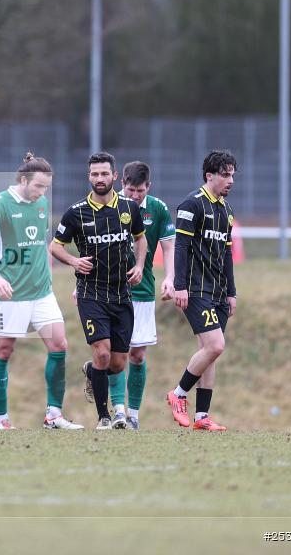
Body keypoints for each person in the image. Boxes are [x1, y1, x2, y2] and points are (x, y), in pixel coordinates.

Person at [0, 153, 83, 431]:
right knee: (3, 350)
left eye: (46, 187)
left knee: (59, 345)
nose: (42, 192)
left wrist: (49, 275)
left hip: (42, 294)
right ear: (23, 180)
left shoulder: (42, 203)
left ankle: (53, 415)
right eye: (38, 186)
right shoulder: (0, 204)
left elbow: (42, 244)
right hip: (10, 294)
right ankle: (1, 421)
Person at [50, 152, 146, 430]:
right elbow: (55, 246)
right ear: (89, 176)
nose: (99, 178)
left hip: (122, 294)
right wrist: (73, 261)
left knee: (118, 363)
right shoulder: (76, 212)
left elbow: (140, 239)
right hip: (91, 294)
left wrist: (140, 266)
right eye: (95, 174)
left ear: (114, 176)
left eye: (104, 173)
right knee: (102, 353)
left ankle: (93, 372)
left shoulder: (129, 208)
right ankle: (104, 417)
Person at [166, 150, 238, 432]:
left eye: (232, 175)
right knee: (215, 345)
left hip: (218, 292)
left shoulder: (226, 210)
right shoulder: (192, 204)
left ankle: (202, 416)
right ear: (209, 175)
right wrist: (180, 286)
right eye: (225, 175)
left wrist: (231, 292)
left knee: (210, 352)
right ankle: (178, 394)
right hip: (196, 291)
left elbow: (227, 254)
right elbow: (181, 246)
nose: (230, 180)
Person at [106, 161, 176, 430]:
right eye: (130, 190)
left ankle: (133, 415)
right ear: (122, 184)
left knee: (137, 355)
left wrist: (169, 278)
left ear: (149, 187)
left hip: (143, 290)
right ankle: (118, 412)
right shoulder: (109, 205)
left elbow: (168, 247)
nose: (135, 195)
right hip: (110, 289)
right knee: (116, 354)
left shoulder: (157, 209)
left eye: (140, 191)